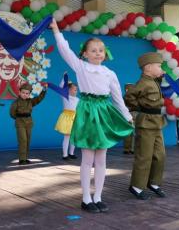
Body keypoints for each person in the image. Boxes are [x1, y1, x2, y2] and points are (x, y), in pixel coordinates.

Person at [50, 19, 134, 214]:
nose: (98, 53)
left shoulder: (110, 73)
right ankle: (86, 198)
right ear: (85, 53)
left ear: (105, 54)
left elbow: (117, 97)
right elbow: (65, 51)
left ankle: (98, 196)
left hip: (103, 112)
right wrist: (56, 31)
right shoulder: (80, 67)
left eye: (101, 50)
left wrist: (126, 114)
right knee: (88, 157)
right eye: (93, 50)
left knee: (102, 158)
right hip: (88, 111)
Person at [124, 52, 167, 200]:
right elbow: (129, 97)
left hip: (156, 121)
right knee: (144, 155)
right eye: (159, 66)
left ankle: (154, 183)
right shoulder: (142, 83)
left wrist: (161, 75)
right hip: (146, 122)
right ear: (148, 68)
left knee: (160, 155)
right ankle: (136, 186)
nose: (161, 68)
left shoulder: (154, 81)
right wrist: (140, 107)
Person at [10, 82, 47, 165]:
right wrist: (19, 118)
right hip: (20, 123)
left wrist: (44, 90)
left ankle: (26, 158)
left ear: (29, 94)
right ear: (19, 92)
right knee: (22, 140)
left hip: (29, 122)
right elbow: (12, 113)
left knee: (27, 140)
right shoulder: (15, 103)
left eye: (27, 93)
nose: (25, 94)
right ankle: (22, 159)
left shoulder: (31, 101)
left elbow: (39, 98)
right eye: (23, 92)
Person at [54, 77, 79, 160]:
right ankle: (65, 155)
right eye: (74, 90)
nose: (76, 92)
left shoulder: (78, 99)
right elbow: (61, 87)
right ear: (69, 90)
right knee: (67, 137)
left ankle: (71, 153)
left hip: (74, 118)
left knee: (74, 137)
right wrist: (65, 79)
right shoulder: (65, 96)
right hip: (67, 118)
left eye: (76, 90)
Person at [123, 83, 136, 154]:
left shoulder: (124, 96)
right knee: (133, 132)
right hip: (133, 113)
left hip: (127, 114)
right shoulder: (134, 96)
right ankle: (132, 149)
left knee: (128, 132)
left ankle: (127, 148)